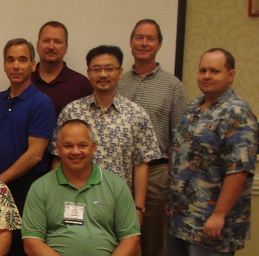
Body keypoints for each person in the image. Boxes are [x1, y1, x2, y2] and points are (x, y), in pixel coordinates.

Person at [50, 45, 162, 224]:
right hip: (74, 204)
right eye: (97, 69)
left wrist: (139, 208)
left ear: (120, 72)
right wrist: (56, 199)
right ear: (88, 73)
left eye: (109, 69)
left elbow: (141, 165)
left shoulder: (137, 115)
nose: (103, 74)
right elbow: (57, 159)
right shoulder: (71, 112)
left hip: (118, 205)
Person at [167, 48, 257, 255]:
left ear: (230, 75)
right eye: (203, 70)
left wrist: (219, 214)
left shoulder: (237, 113)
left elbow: (238, 170)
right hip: (181, 219)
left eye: (214, 71)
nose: (206, 76)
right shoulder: (194, 107)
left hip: (210, 226)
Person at [117, 19, 188, 255]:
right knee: (117, 237)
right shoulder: (118, 82)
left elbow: (180, 140)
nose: (144, 43)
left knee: (154, 241)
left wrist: (173, 182)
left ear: (159, 44)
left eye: (150, 38)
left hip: (157, 176)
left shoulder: (173, 86)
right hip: (118, 172)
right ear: (130, 42)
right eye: (139, 37)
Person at [0, 38, 55, 256]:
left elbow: (35, 155)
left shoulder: (42, 103)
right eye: (10, 60)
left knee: (19, 247)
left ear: (33, 65)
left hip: (26, 190)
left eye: (23, 60)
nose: (16, 65)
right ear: (4, 65)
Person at [22, 119, 141, 255]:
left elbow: (131, 239)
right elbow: (31, 242)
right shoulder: (40, 187)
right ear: (58, 149)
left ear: (93, 147)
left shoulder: (116, 185)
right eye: (68, 146)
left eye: (83, 145)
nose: (76, 152)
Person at [32, 21, 92, 115]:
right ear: (37, 46)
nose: (51, 46)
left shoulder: (82, 85)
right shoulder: (25, 80)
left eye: (57, 42)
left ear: (66, 48)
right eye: (46, 41)